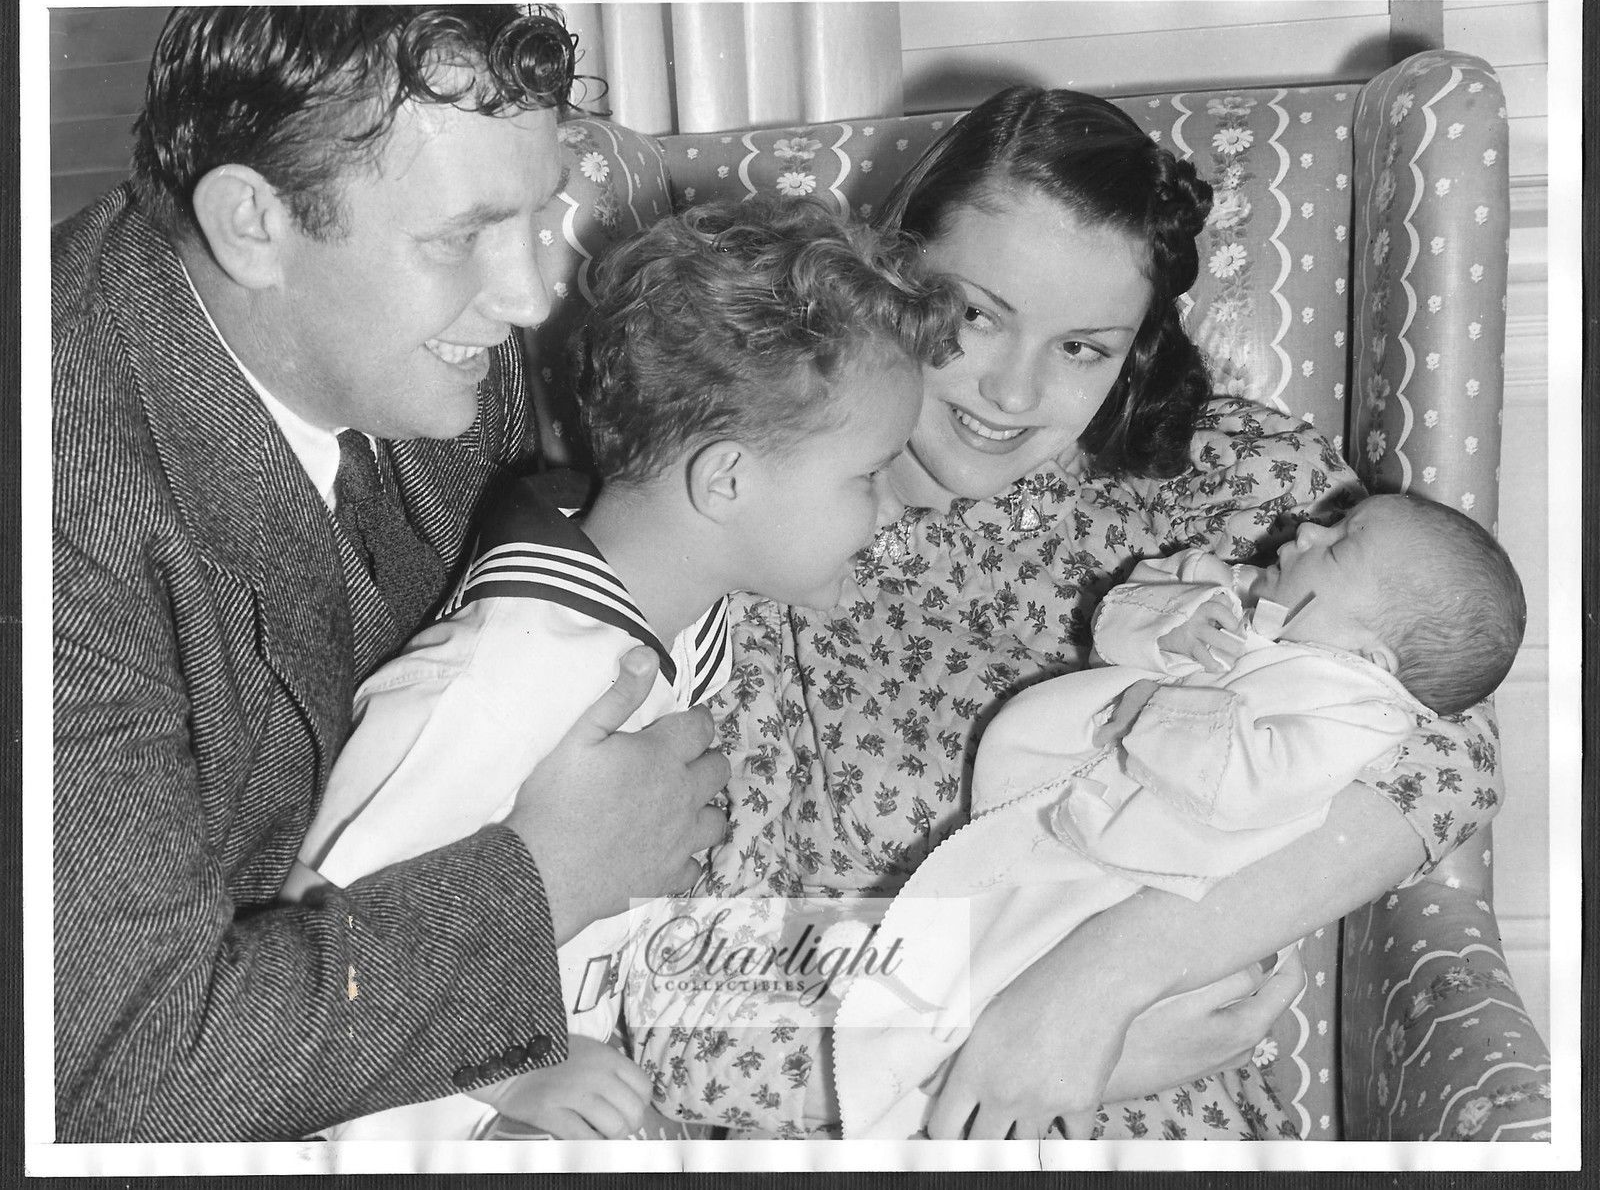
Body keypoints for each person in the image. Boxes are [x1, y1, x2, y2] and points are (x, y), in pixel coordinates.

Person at [628, 86, 1509, 1141]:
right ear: (891, 269)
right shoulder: (755, 524)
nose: (1011, 391)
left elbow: (1448, 746)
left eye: (1082, 346)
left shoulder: (1242, 488)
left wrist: (1102, 980)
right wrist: (1058, 1047)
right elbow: (691, 1004)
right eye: (973, 316)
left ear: (1133, 345)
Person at [51, 5, 730, 1142]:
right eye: (461, 235)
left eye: (534, 213)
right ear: (252, 224)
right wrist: (547, 877)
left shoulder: (419, 344)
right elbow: (131, 1070)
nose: (528, 299)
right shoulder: (59, 508)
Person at [284, 195, 960, 1140]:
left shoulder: (690, 623)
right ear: (725, 480)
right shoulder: (515, 673)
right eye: (869, 474)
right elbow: (323, 934)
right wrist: (509, 1068)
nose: (893, 506)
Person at [834, 492, 1526, 1138]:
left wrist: (1158, 713)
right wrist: (1175, 622)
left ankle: (906, 1085)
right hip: (1080, 836)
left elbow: (1264, 780)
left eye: (1339, 547)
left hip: (1158, 878)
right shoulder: (1251, 593)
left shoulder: (1351, 707)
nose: (1308, 528)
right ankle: (904, 1075)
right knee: (967, 949)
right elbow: (1134, 605)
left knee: (990, 961)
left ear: (1374, 657)